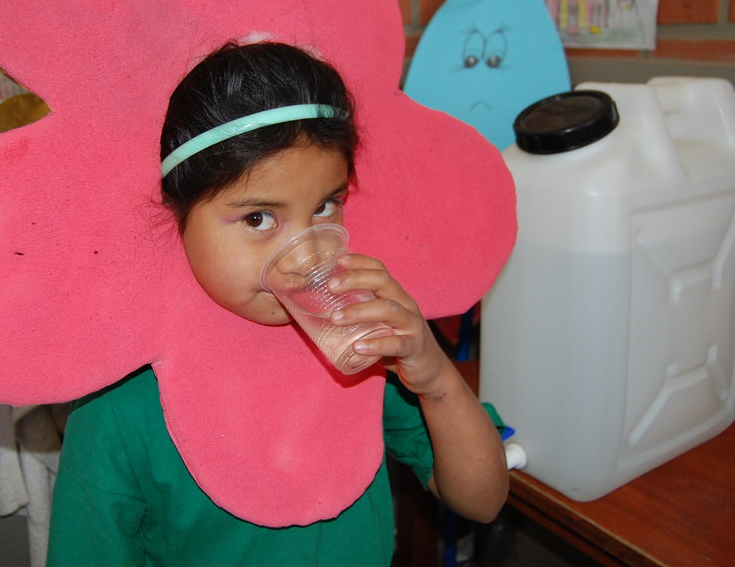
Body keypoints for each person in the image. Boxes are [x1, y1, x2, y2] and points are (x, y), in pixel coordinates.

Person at [45, 41, 509, 566]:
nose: (306, 254)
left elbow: (482, 501)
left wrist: (437, 379)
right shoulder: (118, 410)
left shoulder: (356, 346)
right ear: (175, 217)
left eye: (326, 206)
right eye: (259, 219)